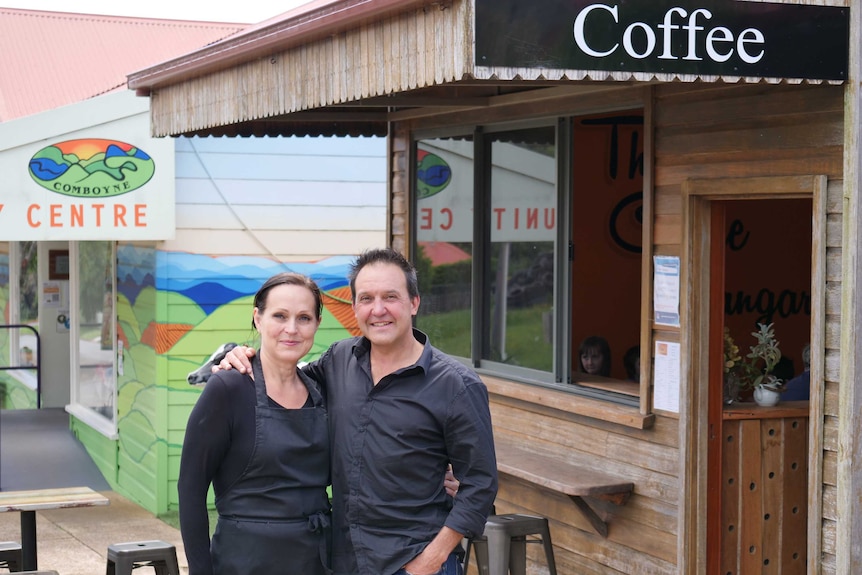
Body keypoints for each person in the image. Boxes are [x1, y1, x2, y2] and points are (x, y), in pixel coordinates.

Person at [216, 248, 498, 575]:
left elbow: (480, 484)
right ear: (354, 308)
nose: (378, 310)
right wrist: (242, 356)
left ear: (414, 303)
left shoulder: (456, 385)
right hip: (343, 561)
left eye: (390, 296)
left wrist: (432, 559)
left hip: (413, 562)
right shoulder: (338, 359)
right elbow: (287, 378)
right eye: (366, 298)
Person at [179, 272, 331, 575]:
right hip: (245, 562)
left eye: (304, 318)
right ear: (258, 319)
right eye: (279, 316)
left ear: (316, 324)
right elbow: (191, 490)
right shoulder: (227, 389)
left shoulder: (325, 388)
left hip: (317, 560)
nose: (291, 329)